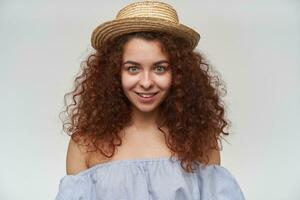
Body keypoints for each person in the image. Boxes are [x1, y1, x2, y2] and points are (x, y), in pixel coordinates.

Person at [55, 1, 245, 199]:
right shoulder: (85, 144)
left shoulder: (200, 140)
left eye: (160, 68)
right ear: (114, 73)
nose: (146, 82)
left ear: (179, 73)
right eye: (133, 68)